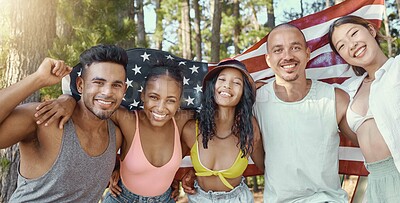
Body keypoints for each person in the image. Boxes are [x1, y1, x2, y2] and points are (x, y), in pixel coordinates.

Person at [0, 44, 128, 202]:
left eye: (116, 85)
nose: (107, 92)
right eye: (98, 82)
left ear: (124, 91)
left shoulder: (116, 136)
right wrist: (38, 79)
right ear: (80, 85)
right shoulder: (45, 118)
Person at [252, 23, 355, 202]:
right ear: (268, 60)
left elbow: (369, 142)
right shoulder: (256, 102)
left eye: (295, 47)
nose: (287, 56)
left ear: (307, 54)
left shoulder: (334, 98)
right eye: (278, 50)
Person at [328, 15, 400, 202]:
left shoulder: (397, 69)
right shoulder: (348, 90)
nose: (351, 45)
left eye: (353, 34)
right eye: (341, 46)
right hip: (374, 179)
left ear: (370, 30)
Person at [180, 59, 264, 202]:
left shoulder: (249, 132)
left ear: (244, 92)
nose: (227, 85)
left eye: (237, 82)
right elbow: (168, 166)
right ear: (213, 86)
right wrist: (190, 174)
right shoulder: (190, 130)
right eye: (222, 79)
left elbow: (267, 168)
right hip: (199, 199)